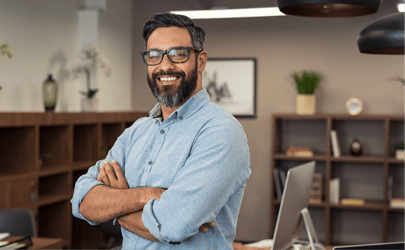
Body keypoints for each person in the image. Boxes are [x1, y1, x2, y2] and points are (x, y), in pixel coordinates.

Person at [71, 12, 252, 249]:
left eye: (178, 54)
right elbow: (82, 201)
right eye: (154, 55)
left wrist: (115, 205)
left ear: (201, 61)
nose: (164, 66)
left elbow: (172, 226)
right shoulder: (136, 132)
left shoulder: (221, 132)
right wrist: (149, 194)